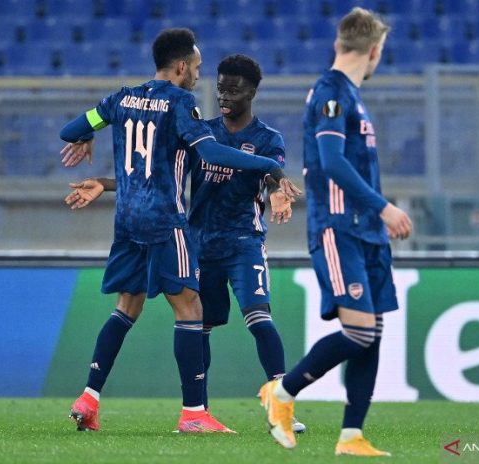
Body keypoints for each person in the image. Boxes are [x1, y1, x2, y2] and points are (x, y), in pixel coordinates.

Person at [58, 28, 299, 434]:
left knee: (125, 308)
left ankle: (89, 398)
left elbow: (72, 129)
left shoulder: (118, 99)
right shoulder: (180, 103)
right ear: (183, 66)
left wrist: (86, 141)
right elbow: (208, 152)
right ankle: (193, 414)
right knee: (190, 310)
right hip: (166, 221)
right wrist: (270, 168)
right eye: (199, 68)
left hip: (127, 221)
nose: (200, 78)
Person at [258, 7, 412, 457]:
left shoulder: (351, 95)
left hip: (366, 234)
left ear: (338, 44)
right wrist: (383, 207)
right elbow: (331, 161)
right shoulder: (330, 92)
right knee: (359, 332)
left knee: (373, 330)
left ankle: (351, 436)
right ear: (376, 51)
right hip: (340, 227)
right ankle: (281, 392)